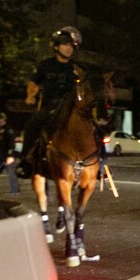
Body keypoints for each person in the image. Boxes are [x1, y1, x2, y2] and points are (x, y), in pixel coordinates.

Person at [16, 26, 82, 178]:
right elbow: (33, 82)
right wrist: (30, 96)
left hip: (71, 107)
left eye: (71, 45)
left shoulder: (77, 68)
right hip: (50, 106)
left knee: (94, 128)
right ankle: (26, 162)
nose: (68, 48)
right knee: (31, 126)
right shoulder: (46, 65)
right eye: (65, 44)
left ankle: (99, 165)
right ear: (56, 46)